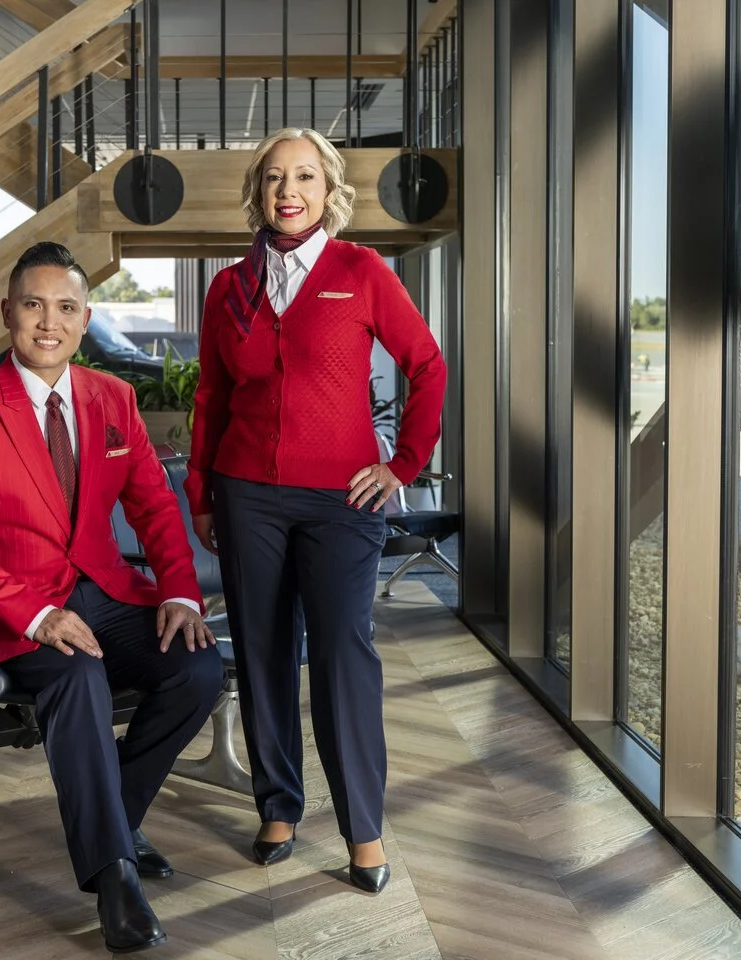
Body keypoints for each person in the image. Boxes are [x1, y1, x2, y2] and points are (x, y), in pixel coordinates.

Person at [0, 242, 223, 954]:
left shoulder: (112, 399)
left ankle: (111, 822)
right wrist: (33, 613)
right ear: (8, 314)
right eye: (33, 306)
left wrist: (179, 591)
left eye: (64, 307)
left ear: (86, 319)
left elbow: (154, 506)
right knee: (78, 678)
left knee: (198, 670)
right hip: (18, 613)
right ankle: (114, 876)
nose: (48, 323)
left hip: (108, 592)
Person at [185, 128, 448, 894]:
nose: (287, 191)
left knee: (342, 655)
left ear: (330, 191)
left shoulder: (360, 272)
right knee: (264, 651)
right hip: (246, 495)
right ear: (257, 193)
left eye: (303, 176)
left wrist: (401, 465)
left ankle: (362, 826)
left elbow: (427, 364)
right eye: (273, 178)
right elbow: (211, 398)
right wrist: (202, 492)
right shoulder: (227, 288)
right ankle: (277, 804)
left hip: (341, 500)